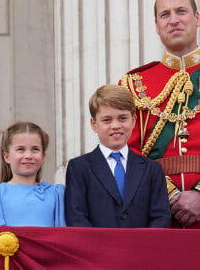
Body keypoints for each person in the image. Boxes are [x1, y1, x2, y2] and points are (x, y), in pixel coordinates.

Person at [120, 0, 200, 228]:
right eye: (165, 14)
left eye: (181, 11)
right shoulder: (133, 84)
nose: (173, 20)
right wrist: (169, 195)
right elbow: (124, 151)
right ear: (156, 25)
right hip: (157, 213)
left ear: (197, 19)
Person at [65, 85, 170, 228]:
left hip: (142, 248)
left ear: (133, 121)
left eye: (122, 118)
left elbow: (161, 216)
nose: (115, 125)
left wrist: (144, 248)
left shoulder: (152, 169)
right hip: (97, 249)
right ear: (94, 124)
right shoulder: (79, 168)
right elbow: (77, 217)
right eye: (107, 120)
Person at [0, 121, 66, 227]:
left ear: (43, 156)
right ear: (6, 157)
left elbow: (62, 236)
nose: (28, 155)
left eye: (35, 149)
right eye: (21, 149)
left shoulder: (56, 194)